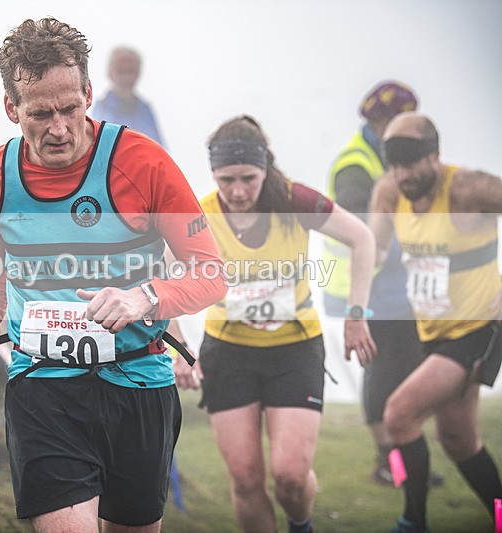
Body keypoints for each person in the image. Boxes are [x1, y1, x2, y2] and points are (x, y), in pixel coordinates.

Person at [0, 17, 226, 532]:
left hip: (138, 382)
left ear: (88, 94)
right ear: (11, 109)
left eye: (70, 109)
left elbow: (211, 274)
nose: (58, 128)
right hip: (44, 387)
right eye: (39, 114)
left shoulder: (144, 163)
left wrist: (144, 296)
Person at [174, 115, 377, 533]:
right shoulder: (201, 214)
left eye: (248, 177)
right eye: (225, 179)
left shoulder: (294, 200)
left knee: (289, 475)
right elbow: (157, 277)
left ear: (265, 167)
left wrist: (358, 315)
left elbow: (362, 238)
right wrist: (177, 348)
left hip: (294, 349)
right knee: (246, 478)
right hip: (228, 353)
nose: (237, 191)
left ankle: (301, 525)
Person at [369, 111, 502, 532]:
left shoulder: (466, 188)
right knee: (459, 442)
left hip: (480, 329)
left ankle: (413, 522)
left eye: (411, 164)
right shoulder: (390, 191)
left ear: (436, 156)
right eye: (395, 165)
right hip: (434, 331)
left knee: (398, 414)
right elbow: (370, 252)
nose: (403, 175)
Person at [322, 81, 443, 487]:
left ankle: (405, 460)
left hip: (395, 285)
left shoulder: (387, 159)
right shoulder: (356, 164)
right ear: (378, 120)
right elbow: (360, 229)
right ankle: (389, 463)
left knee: (405, 367)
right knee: (384, 369)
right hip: (366, 287)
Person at [90, 46, 165, 146]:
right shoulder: (101, 109)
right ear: (110, 73)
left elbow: (158, 148)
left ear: (138, 74)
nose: (126, 78)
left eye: (130, 71)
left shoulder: (145, 110)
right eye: (121, 71)